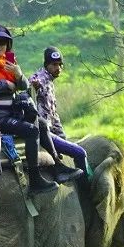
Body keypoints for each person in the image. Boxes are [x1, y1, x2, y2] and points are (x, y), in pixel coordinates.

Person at [0, 24, 80, 193]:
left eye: (3, 42)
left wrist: (18, 73)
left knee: (42, 124)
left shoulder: (9, 61)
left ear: (8, 44)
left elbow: (23, 85)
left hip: (12, 110)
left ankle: (57, 166)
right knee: (31, 130)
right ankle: (35, 178)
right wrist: (5, 84)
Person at [29, 46, 90, 177]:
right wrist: (34, 85)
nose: (58, 68)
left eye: (60, 65)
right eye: (54, 65)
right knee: (80, 153)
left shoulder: (50, 81)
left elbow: (53, 115)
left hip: (52, 132)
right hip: (44, 134)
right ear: (46, 65)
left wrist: (63, 137)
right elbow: (33, 82)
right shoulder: (41, 78)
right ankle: (86, 188)